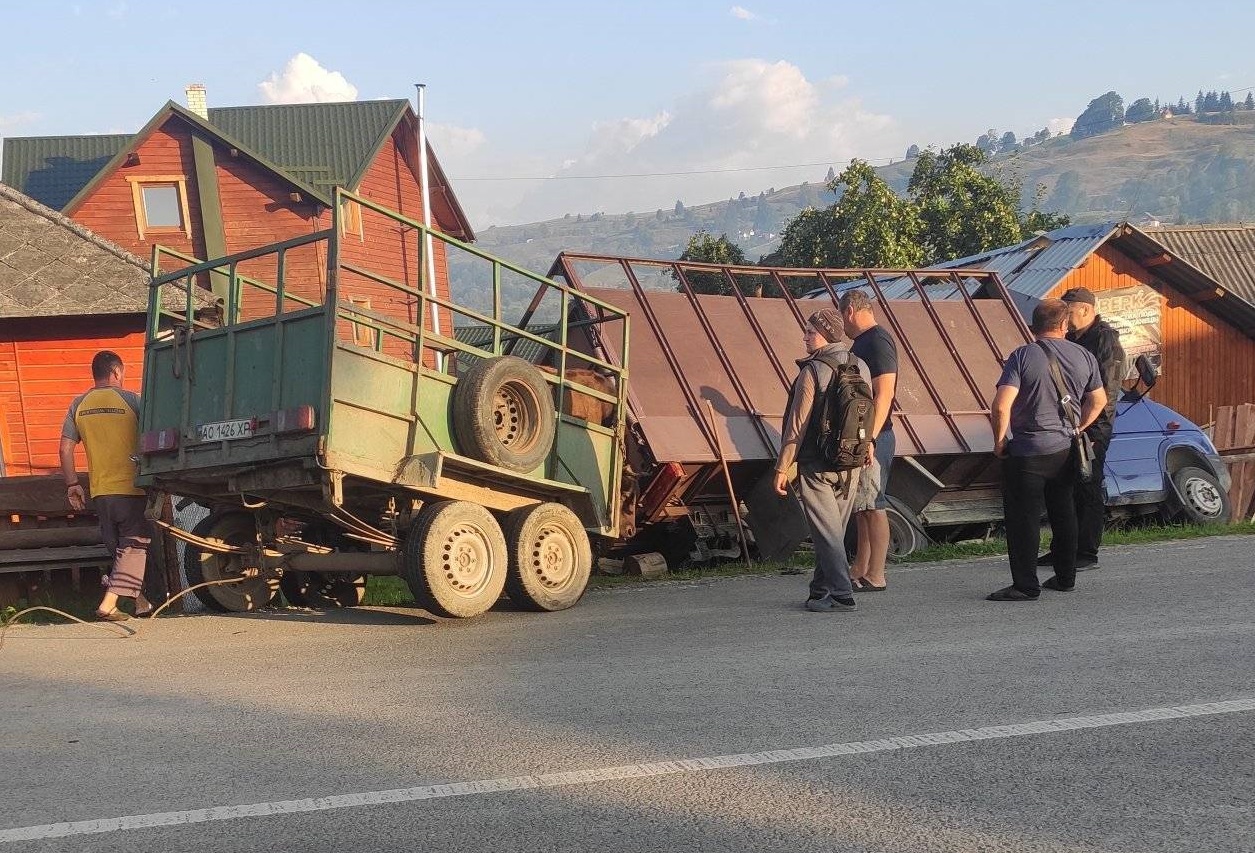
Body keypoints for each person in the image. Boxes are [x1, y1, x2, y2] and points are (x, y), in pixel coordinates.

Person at [988, 300, 1107, 601]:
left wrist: (1000, 439)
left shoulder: (1022, 357)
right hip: (1065, 448)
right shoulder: (1084, 356)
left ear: (1032, 326)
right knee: (1064, 510)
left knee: (1023, 518)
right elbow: (1100, 400)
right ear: (1064, 325)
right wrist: (1080, 427)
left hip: (1028, 450)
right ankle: (1066, 577)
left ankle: (1026, 585)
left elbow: (1002, 405)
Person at [774, 309, 869, 613]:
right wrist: (868, 445)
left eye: (810, 332)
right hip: (852, 461)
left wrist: (782, 466)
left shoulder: (813, 371)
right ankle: (819, 592)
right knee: (832, 533)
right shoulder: (861, 365)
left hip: (817, 464)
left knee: (826, 534)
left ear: (826, 333)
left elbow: (796, 426)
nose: (805, 337)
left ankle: (842, 595)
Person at [1037, 287, 1125, 571]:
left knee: (1087, 487)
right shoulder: (1073, 338)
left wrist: (1089, 428)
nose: (1064, 315)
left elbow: (1107, 392)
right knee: (1063, 487)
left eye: (1069, 309)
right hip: (1067, 425)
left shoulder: (1104, 340)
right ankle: (1062, 548)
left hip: (1093, 426)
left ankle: (1086, 553)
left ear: (1085, 309)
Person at [60, 351, 152, 621]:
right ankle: (108, 604)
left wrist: (73, 484)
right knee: (134, 546)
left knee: (119, 550)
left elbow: (66, 448)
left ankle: (142, 603)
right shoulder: (133, 400)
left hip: (100, 492)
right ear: (117, 372)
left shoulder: (78, 405)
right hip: (131, 488)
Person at [840, 289, 898, 592]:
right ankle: (860, 567)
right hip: (862, 436)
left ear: (850, 311)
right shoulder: (862, 342)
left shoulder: (877, 341)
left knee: (875, 505)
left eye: (842, 317)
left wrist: (871, 437)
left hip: (876, 435)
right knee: (862, 506)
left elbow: (884, 393)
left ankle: (877, 573)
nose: (843, 324)